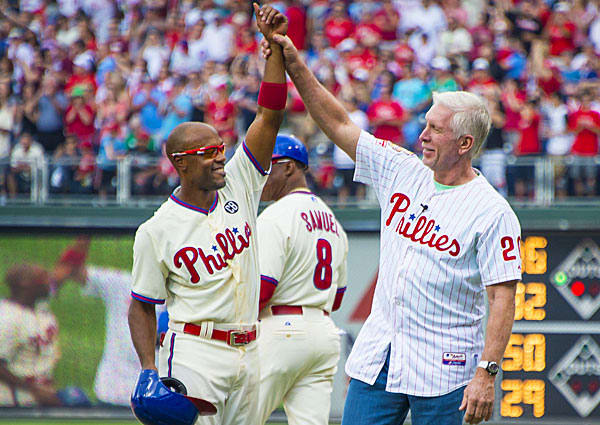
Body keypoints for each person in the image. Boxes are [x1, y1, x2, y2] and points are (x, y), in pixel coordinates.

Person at [263, 34, 521, 425]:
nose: (422, 136)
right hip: (379, 356)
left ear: (465, 143)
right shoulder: (402, 169)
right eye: (425, 125)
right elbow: (337, 122)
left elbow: (502, 297)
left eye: (435, 129)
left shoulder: (491, 210)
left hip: (446, 369)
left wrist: (487, 373)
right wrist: (294, 62)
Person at [127, 4, 287, 425]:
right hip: (195, 352)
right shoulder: (157, 229)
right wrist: (148, 369)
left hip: (251, 349)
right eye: (207, 153)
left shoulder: (239, 183)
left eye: (221, 149)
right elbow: (141, 304)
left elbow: (269, 116)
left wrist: (273, 51)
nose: (220, 158)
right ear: (180, 163)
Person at [255, 134, 348, 425]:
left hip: (280, 330)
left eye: (267, 166)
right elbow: (338, 296)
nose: (261, 175)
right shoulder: (332, 221)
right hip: (322, 333)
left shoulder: (276, 215)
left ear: (290, 167)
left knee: (235, 417)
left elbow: (262, 289)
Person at [0, 264, 62, 407]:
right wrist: (34, 390)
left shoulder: (42, 312)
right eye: (44, 278)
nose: (50, 282)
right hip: (13, 403)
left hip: (40, 400)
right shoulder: (7, 318)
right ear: (25, 284)